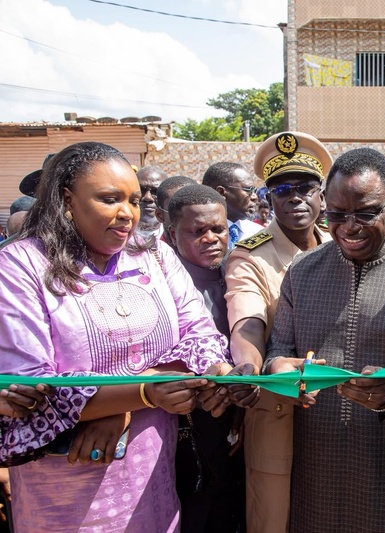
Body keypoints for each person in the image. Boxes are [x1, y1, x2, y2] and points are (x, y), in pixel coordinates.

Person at [0, 141, 232, 531]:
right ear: (66, 199)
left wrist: (129, 403)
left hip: (152, 472)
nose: (127, 214)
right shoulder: (21, 266)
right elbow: (30, 388)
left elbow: (201, 335)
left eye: (135, 201)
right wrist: (142, 392)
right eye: (110, 199)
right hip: (65, 489)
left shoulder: (153, 253)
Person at [264, 147, 385, 532]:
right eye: (335, 215)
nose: (348, 227)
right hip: (316, 458)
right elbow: (279, 349)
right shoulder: (303, 270)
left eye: (365, 213)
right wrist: (280, 370)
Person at [224, 131, 333, 533]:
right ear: (268, 199)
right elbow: (247, 320)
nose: (295, 197)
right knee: (274, 521)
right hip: (276, 409)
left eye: (305, 187)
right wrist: (249, 368)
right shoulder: (250, 254)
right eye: (282, 189)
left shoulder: (338, 246)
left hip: (333, 412)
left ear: (321, 195)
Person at [167, 184, 245, 532]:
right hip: (185, 426)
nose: (211, 238)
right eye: (197, 231)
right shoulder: (163, 289)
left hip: (236, 418)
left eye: (218, 229)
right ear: (172, 233)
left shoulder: (238, 276)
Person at [202, 162, 262, 248]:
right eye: (248, 190)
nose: (255, 197)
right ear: (221, 192)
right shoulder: (198, 237)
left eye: (254, 191)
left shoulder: (258, 232)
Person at [156, 175, 196, 247]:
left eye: (194, 210)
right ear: (159, 215)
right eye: (178, 210)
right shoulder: (151, 256)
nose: (188, 218)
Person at [136, 165, 168, 241]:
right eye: (142, 190)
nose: (148, 197)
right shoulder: (119, 235)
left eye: (155, 191)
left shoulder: (175, 238)